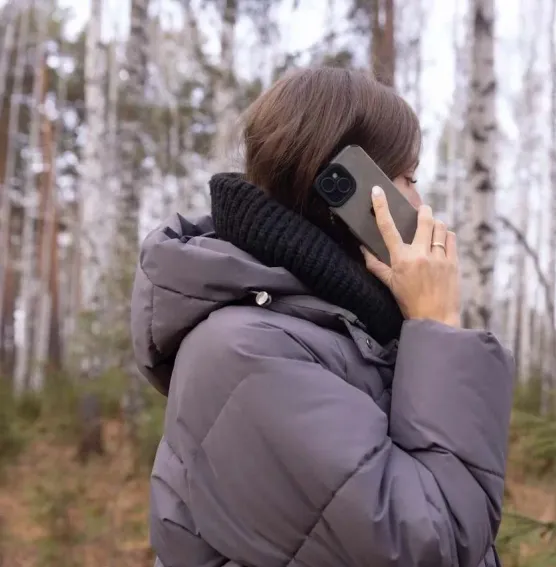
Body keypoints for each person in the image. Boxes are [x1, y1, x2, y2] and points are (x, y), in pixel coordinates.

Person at [130, 66, 515, 567]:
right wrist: (437, 325)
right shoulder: (247, 352)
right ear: (342, 189)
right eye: (408, 179)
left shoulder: (348, 332)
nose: (420, 204)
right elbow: (435, 541)